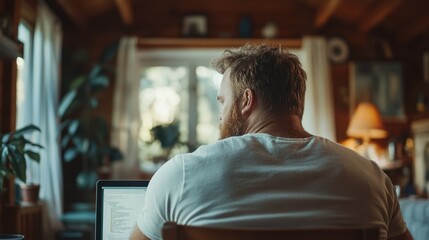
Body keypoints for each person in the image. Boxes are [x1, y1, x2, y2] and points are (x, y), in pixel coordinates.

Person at [130, 44, 412, 240]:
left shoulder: (180, 175)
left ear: (246, 101)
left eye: (223, 101)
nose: (219, 114)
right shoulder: (371, 178)